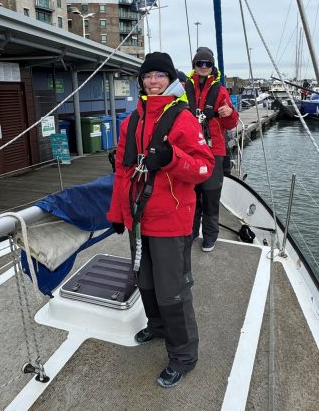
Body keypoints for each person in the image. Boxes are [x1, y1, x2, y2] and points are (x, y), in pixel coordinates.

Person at [107, 52, 215, 388]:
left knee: (173, 291)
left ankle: (183, 356)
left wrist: (171, 157)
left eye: (160, 75)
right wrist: (117, 214)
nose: (153, 81)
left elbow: (204, 167)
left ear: (170, 79)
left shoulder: (182, 119)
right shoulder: (131, 122)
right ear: (141, 80)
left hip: (171, 221)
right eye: (148, 76)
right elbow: (123, 172)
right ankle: (157, 326)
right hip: (140, 220)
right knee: (146, 282)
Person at [184, 47, 239, 252]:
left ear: (212, 66)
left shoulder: (221, 90)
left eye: (207, 63)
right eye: (200, 63)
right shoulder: (184, 88)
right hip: (190, 149)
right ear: (194, 65)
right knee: (190, 194)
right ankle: (190, 233)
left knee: (210, 195)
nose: (204, 67)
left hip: (213, 149)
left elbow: (232, 123)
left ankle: (210, 235)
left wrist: (229, 112)